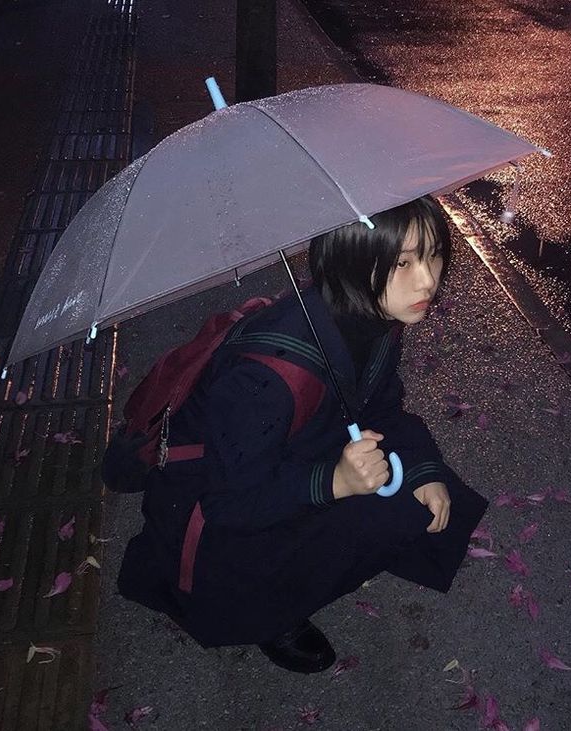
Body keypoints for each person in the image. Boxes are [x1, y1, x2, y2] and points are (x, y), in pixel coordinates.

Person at [106, 195, 488, 674]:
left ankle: (306, 559)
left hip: (291, 454)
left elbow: (384, 407)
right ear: (350, 262)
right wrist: (335, 482)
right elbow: (227, 504)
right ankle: (271, 612)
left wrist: (422, 468)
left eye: (433, 255)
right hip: (214, 509)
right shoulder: (263, 380)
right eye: (401, 263)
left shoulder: (374, 317)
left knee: (416, 498)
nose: (428, 279)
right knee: (364, 516)